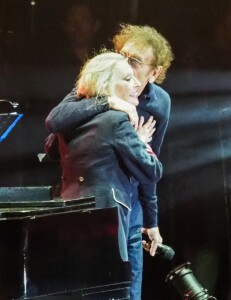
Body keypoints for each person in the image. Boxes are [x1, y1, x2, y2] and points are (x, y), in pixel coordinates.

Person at [45, 24, 174, 300]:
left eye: (134, 62)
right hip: (97, 201)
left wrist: (151, 221)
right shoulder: (98, 86)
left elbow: (150, 168)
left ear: (154, 73)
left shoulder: (159, 103)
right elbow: (55, 120)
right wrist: (109, 102)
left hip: (131, 204)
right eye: (122, 55)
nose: (123, 64)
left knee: (130, 287)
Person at [56, 50, 162, 270]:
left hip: (66, 220)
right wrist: (142, 141)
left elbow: (50, 147)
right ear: (108, 86)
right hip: (106, 224)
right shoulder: (117, 121)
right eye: (126, 79)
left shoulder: (70, 122)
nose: (135, 83)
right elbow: (152, 171)